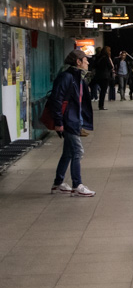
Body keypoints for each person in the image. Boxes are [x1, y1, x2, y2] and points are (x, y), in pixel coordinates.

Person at [49, 49, 96, 197]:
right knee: (78, 151)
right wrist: (58, 122)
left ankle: (58, 183)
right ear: (78, 62)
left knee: (68, 153)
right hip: (68, 120)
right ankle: (77, 185)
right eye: (85, 60)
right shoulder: (67, 77)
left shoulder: (78, 77)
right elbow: (57, 99)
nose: (87, 62)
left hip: (74, 119)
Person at [94, 45, 114, 110]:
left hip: (98, 75)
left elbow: (95, 66)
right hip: (105, 76)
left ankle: (99, 104)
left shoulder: (98, 57)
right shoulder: (106, 58)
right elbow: (111, 66)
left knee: (98, 89)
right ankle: (101, 105)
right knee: (103, 91)